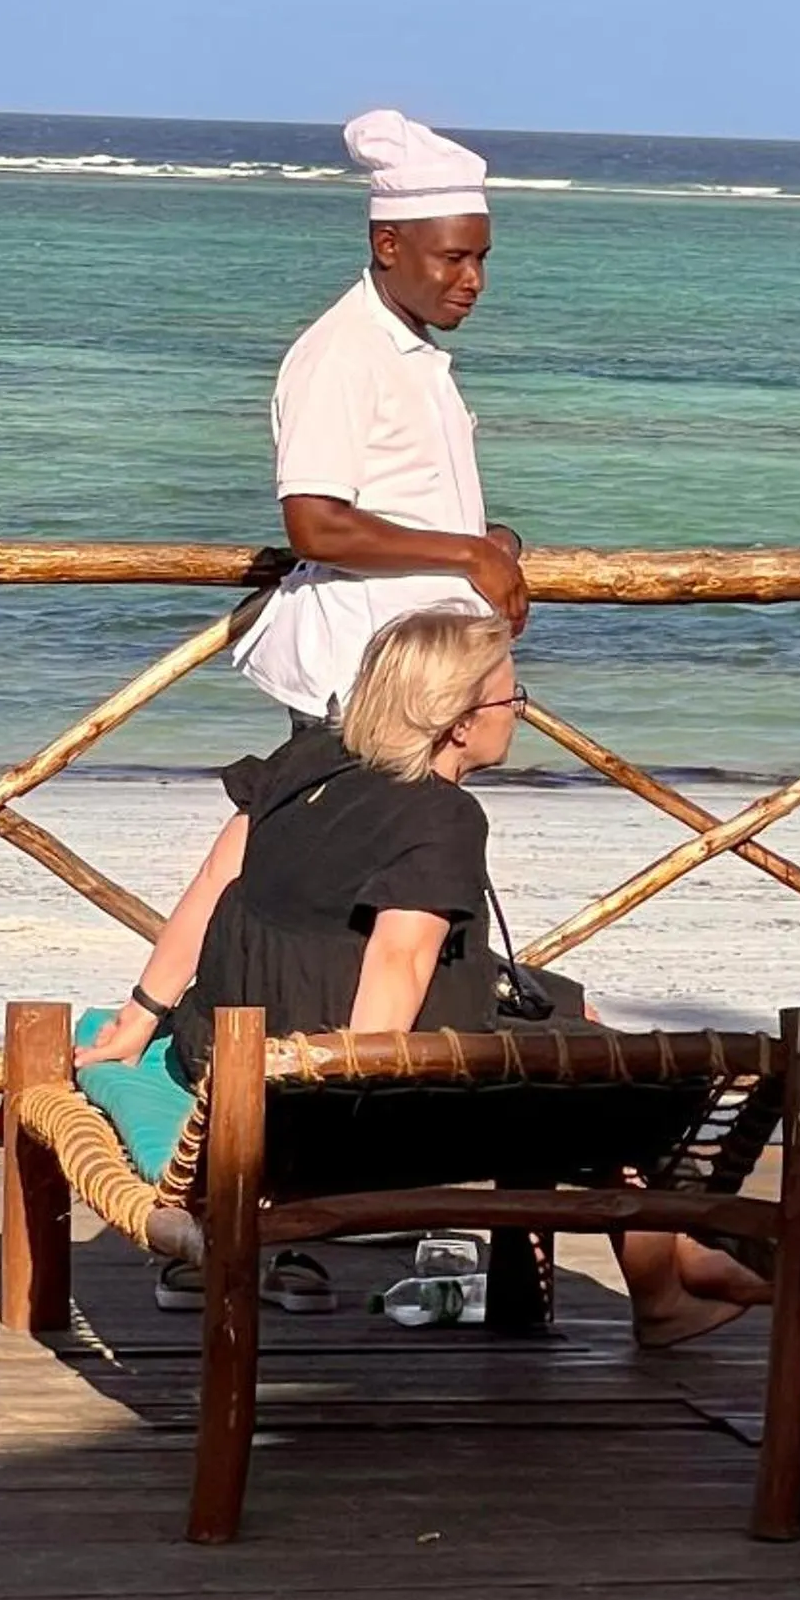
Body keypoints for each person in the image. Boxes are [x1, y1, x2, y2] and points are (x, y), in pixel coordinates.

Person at [95, 606, 763, 1349]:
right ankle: (674, 1271)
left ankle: (669, 1275)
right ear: (457, 722)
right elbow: (397, 963)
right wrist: (328, 1116)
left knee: (574, 1011)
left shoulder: (312, 756)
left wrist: (141, 1012)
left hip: (216, 1040)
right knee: (615, 1081)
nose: (520, 713)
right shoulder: (439, 817)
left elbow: (219, 876)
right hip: (321, 1095)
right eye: (512, 699)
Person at [79, 111, 533, 1068]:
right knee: (344, 898)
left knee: (357, 884)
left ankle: (199, 1026)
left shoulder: (407, 351)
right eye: (454, 259)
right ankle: (341, 1075)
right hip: (368, 682)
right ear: (388, 243)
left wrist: (486, 541)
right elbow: (314, 523)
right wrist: (467, 555)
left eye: (482, 259)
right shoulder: (341, 355)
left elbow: (407, 494)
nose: (472, 281)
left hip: (417, 671)